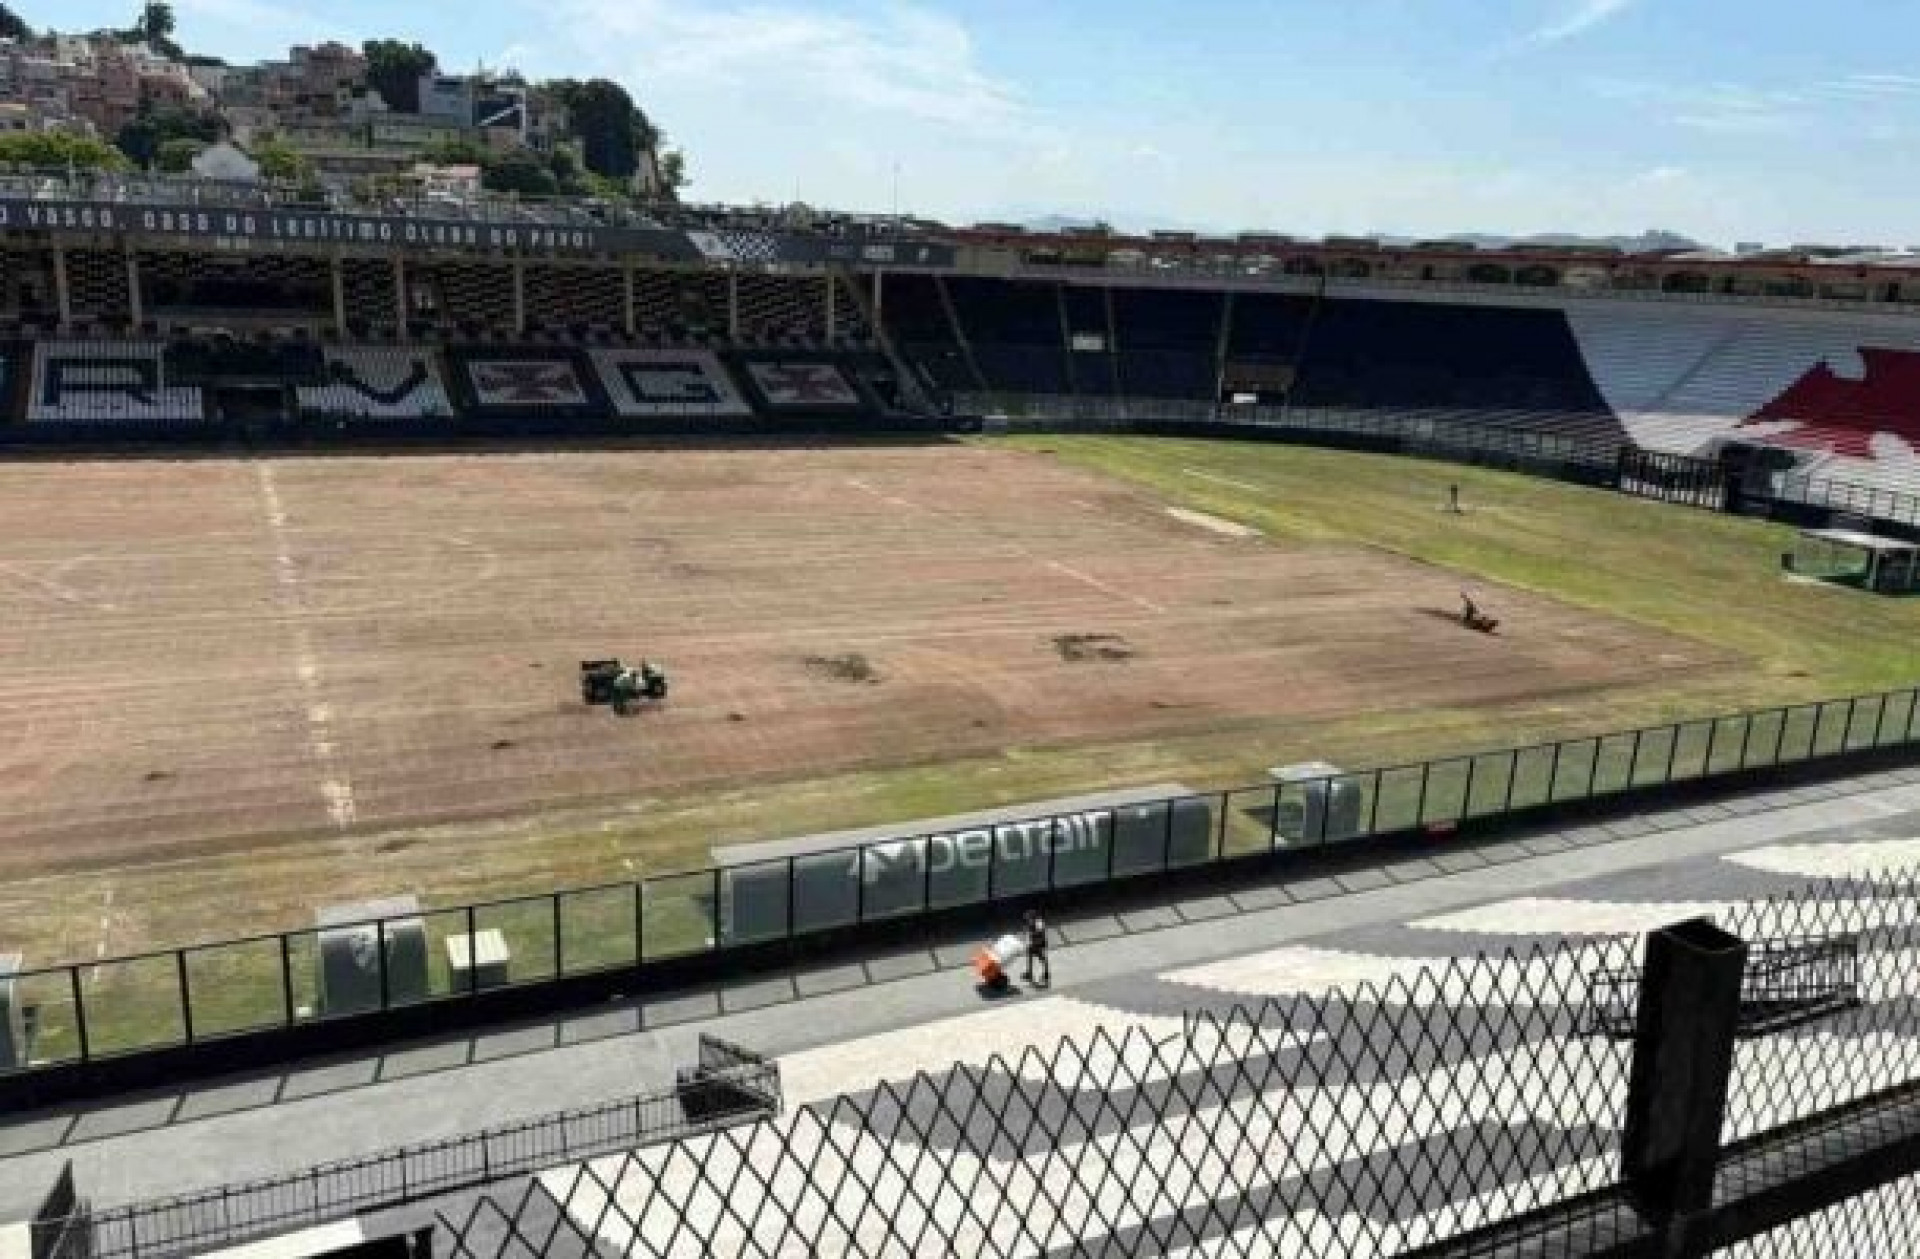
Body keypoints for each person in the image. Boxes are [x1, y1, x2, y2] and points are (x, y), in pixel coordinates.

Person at [1024, 910, 1050, 986]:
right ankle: (1029, 973)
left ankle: (1046, 973)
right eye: (1027, 919)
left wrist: (1032, 934)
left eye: (1029, 918)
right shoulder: (1031, 923)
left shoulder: (1039, 923)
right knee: (1030, 956)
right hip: (1034, 943)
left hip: (1040, 943)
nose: (1028, 920)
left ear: (1033, 917)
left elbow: (1041, 933)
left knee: (1042, 958)